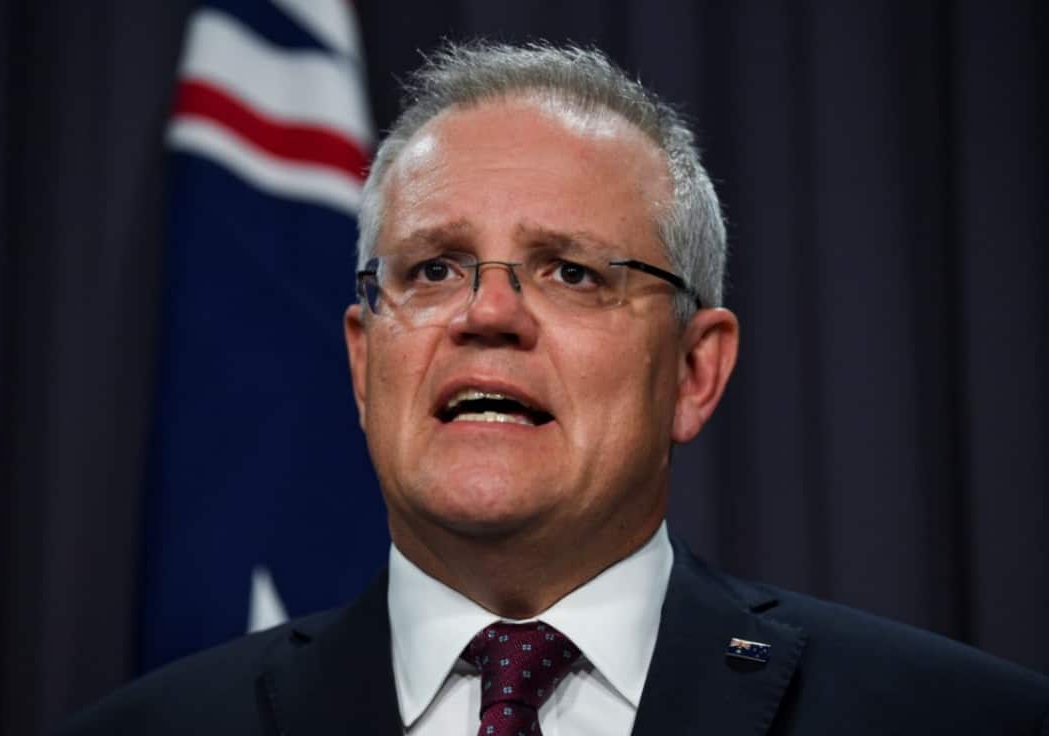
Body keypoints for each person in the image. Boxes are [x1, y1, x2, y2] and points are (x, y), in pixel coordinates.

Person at [60, 41, 1048, 735]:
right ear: (364, 364)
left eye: (572, 271)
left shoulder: (965, 718)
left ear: (694, 370)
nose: (488, 314)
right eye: (436, 268)